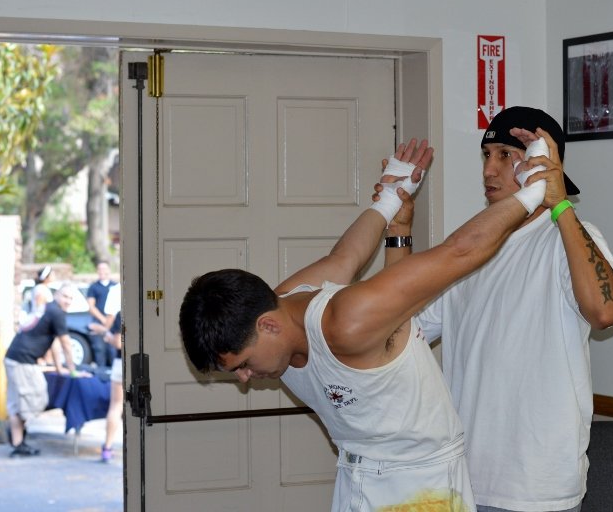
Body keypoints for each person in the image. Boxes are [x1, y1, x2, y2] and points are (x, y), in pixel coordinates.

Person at [179, 137, 555, 512]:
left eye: (243, 364)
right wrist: (389, 200)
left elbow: (459, 251)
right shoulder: (281, 301)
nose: (244, 378)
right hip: (356, 476)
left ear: (268, 326)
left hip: (422, 486)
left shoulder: (347, 322)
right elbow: (346, 257)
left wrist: (533, 193)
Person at [406, 106, 613, 512]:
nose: (489, 170)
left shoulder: (567, 240)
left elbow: (605, 312)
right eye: (486, 155)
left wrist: (560, 206)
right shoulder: (473, 248)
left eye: (505, 155)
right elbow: (401, 330)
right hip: (463, 481)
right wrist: (398, 227)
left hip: (535, 489)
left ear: (540, 163)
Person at [4, 283, 81, 457]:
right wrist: (72, 370)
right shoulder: (57, 312)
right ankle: (15, 431)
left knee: (16, 404)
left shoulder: (49, 309)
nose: (68, 301)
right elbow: (66, 344)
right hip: (22, 361)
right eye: (65, 296)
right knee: (38, 398)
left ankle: (18, 443)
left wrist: (60, 368)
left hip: (13, 358)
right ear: (57, 295)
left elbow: (54, 344)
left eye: (71, 298)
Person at [86, 260, 118, 367]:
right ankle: (100, 374)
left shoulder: (115, 286)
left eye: (104, 268)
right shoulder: (93, 287)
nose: (102, 271)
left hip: (114, 323)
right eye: (100, 269)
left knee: (113, 350)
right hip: (98, 323)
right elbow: (91, 307)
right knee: (99, 350)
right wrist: (104, 320)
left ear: (109, 270)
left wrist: (110, 320)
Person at [101, 311, 123, 462]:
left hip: (122, 363)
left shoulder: (123, 312)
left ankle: (107, 449)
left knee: (116, 406)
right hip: (146, 362)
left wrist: (108, 337)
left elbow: (119, 343)